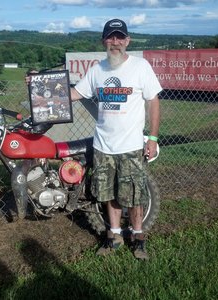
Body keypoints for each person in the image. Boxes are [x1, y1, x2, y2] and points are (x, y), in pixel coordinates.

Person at [69, 19, 161, 260]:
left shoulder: (141, 67)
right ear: (104, 41)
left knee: (134, 195)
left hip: (131, 146)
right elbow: (76, 93)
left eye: (120, 37)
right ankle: (115, 237)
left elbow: (153, 102)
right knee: (108, 193)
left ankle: (139, 238)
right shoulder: (97, 70)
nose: (115, 42)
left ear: (127, 41)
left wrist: (152, 137)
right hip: (103, 146)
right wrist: (40, 86)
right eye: (111, 37)